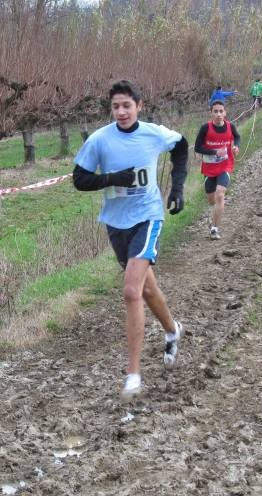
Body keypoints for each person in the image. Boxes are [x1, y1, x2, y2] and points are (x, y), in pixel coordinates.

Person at [72, 80, 188, 400]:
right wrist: (112, 179)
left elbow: (181, 146)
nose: (121, 112)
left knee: (130, 289)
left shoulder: (153, 133)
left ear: (139, 105)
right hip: (116, 223)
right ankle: (172, 330)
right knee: (146, 287)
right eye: (115, 106)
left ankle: (133, 374)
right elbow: (79, 179)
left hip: (148, 216)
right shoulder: (100, 140)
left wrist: (177, 188)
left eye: (127, 105)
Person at [194, 100, 240, 240]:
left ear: (225, 113)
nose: (219, 114)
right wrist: (215, 152)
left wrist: (236, 146)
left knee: (220, 194)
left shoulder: (230, 126)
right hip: (209, 168)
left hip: (225, 166)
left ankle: (214, 228)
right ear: (211, 113)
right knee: (212, 200)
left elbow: (237, 137)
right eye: (216, 111)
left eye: (221, 111)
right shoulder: (205, 128)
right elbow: (197, 148)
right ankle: (215, 216)